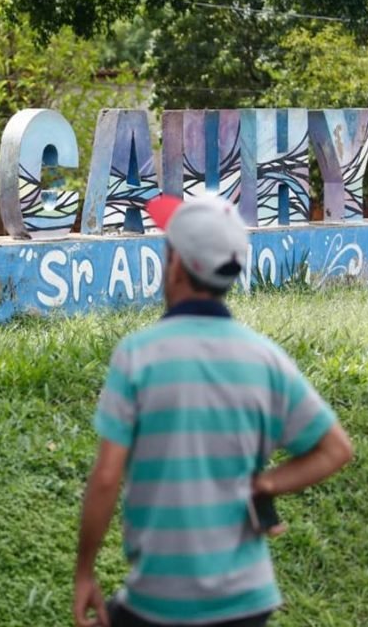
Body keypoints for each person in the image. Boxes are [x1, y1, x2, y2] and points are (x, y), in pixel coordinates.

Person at [73, 193, 353, 627]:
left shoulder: (138, 356)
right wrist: (266, 483)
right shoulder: (265, 359)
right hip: (249, 600)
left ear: (176, 265)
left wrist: (85, 572)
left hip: (162, 602)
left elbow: (108, 475)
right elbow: (335, 450)